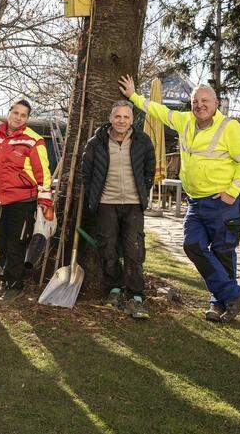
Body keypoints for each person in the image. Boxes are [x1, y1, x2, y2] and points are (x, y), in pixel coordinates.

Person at [119, 75, 240, 322]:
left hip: (221, 204)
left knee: (223, 252)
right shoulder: (185, 121)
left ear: (216, 103)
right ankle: (232, 294)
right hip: (195, 202)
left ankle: (219, 305)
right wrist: (133, 96)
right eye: (195, 101)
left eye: (205, 100)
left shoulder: (231, 128)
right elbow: (158, 111)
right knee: (192, 245)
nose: (200, 105)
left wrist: (232, 192)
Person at [81, 100, 155, 318]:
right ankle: (113, 290)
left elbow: (149, 170)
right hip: (106, 203)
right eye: (117, 116)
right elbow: (87, 172)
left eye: (126, 117)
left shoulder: (143, 141)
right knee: (107, 247)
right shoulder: (96, 142)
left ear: (132, 120)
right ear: (110, 118)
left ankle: (135, 296)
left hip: (133, 204)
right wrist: (96, 194)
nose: (121, 121)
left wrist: (142, 191)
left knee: (134, 249)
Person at [0, 99, 53, 301]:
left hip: (22, 200)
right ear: (9, 112)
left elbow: (43, 174)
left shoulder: (33, 140)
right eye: (16, 113)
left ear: (27, 118)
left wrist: (45, 201)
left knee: (17, 243)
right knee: (2, 242)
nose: (18, 117)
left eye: (23, 115)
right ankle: (6, 279)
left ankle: (15, 285)